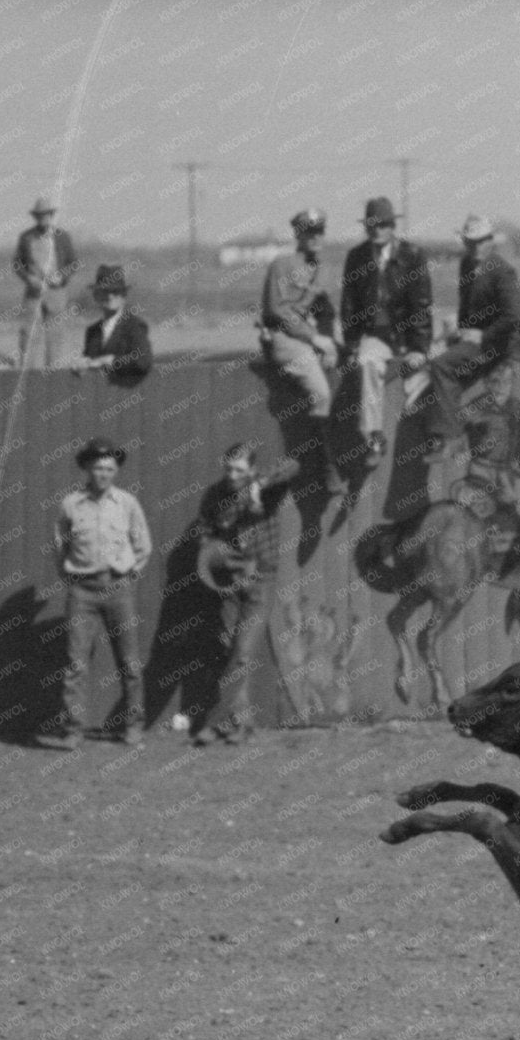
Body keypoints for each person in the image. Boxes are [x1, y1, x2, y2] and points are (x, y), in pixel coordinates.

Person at [46, 437, 152, 750]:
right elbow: (59, 546)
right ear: (87, 469)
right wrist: (71, 577)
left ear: (116, 471)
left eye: (109, 468)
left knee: (129, 663)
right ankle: (73, 730)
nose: (103, 474)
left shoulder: (127, 504)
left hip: (119, 588)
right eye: (97, 468)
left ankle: (133, 727)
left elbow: (143, 545)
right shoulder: (71, 505)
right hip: (83, 591)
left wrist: (128, 574)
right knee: (76, 664)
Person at [192, 443, 294, 746]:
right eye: (229, 469)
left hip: (261, 581)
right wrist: (213, 552)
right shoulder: (215, 495)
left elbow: (293, 466)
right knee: (228, 649)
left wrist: (259, 485)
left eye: (239, 470)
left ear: (251, 469)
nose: (232, 475)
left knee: (243, 652)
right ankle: (241, 722)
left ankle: (215, 721)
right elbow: (205, 530)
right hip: (230, 582)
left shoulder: (268, 489)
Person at [425, 214, 520, 474]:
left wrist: (483, 335)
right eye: (471, 242)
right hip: (475, 341)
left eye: (481, 241)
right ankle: (454, 432)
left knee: (442, 365)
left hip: (500, 345)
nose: (476, 247)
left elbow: (513, 317)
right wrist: (460, 333)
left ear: (490, 241)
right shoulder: (466, 265)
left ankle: (450, 437)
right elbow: (465, 307)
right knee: (442, 365)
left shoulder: (502, 271)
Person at [339, 196, 434, 464]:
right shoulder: (356, 257)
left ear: (392, 226)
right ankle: (374, 437)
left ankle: (433, 439)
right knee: (367, 363)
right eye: (372, 225)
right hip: (376, 335)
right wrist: (351, 344)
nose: (377, 230)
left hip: (407, 335)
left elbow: (422, 304)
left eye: (382, 225)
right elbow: (348, 304)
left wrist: (419, 347)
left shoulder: (412, 255)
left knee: (427, 376)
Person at [259, 208, 340, 458]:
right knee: (321, 395)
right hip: (283, 337)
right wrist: (314, 338)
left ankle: (320, 454)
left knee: (340, 379)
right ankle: (316, 462)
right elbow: (276, 311)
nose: (315, 237)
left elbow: (325, 312)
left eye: (319, 232)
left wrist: (330, 343)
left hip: (306, 338)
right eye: (309, 232)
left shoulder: (322, 269)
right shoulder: (282, 265)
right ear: (298, 235)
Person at [12, 196, 79, 368]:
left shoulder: (62, 237)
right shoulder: (26, 237)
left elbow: (73, 263)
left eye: (46, 215)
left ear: (51, 215)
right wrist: (29, 278)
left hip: (56, 292)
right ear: (35, 217)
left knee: (56, 335)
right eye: (39, 215)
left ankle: (54, 374)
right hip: (34, 292)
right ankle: (29, 373)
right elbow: (17, 264)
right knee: (29, 334)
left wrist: (62, 277)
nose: (43, 218)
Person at [77, 264, 154, 383]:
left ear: (123, 296)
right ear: (96, 296)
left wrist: (112, 361)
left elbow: (143, 362)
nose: (110, 296)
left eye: (115, 291)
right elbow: (89, 369)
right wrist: (80, 367)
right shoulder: (93, 331)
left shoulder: (135, 327)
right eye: (104, 291)